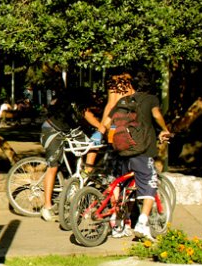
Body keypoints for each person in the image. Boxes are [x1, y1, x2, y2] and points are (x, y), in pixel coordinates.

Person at [101, 71, 171, 240]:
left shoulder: (123, 101)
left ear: (133, 86)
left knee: (123, 187)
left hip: (121, 149)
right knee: (150, 182)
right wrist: (164, 129)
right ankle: (142, 222)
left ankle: (117, 222)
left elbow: (107, 123)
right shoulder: (151, 99)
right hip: (142, 150)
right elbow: (156, 115)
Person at [39, 86, 104, 222]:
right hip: (52, 130)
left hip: (68, 131)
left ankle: (84, 174)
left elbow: (82, 120)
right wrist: (101, 127)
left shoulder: (70, 104)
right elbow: (88, 115)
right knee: (53, 166)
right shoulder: (75, 102)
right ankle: (47, 206)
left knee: (94, 145)